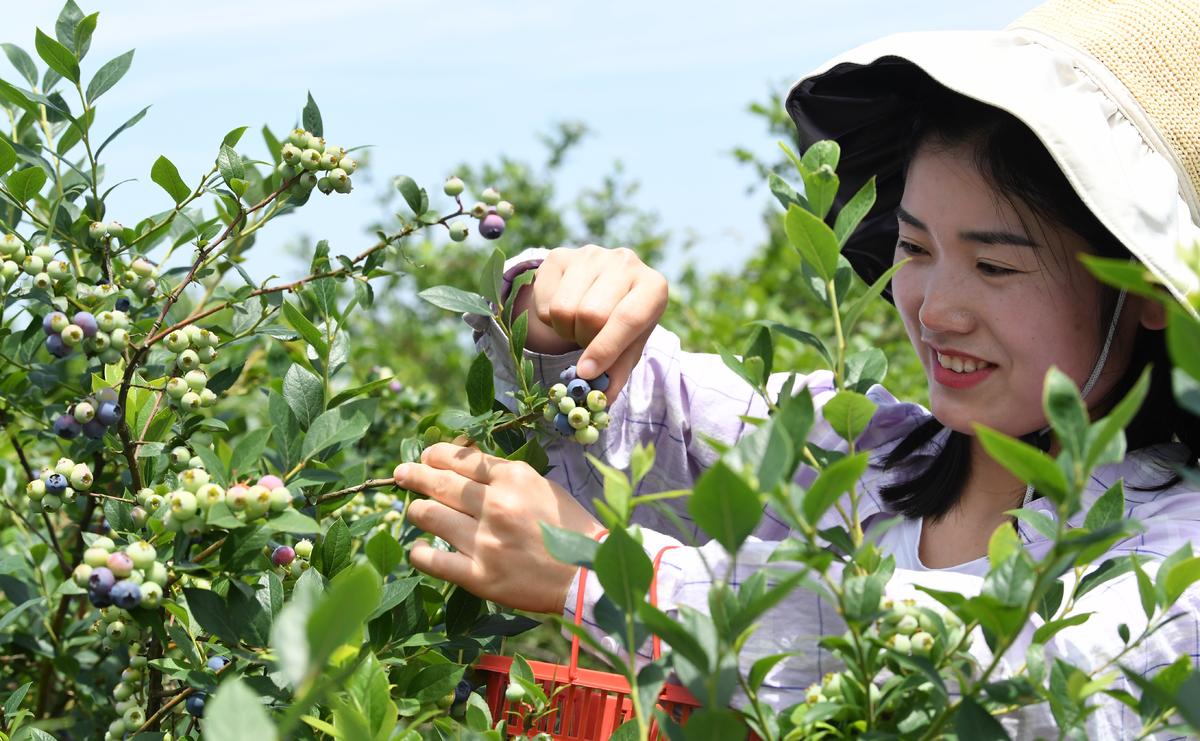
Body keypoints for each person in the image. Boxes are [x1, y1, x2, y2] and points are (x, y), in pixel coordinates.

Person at [392, 0, 1200, 735]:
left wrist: (608, 576)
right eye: (915, 248)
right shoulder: (865, 462)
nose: (937, 307)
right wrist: (555, 312)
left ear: (1147, 287)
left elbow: (1017, 682)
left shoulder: (1176, 561)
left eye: (995, 266)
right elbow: (661, 409)